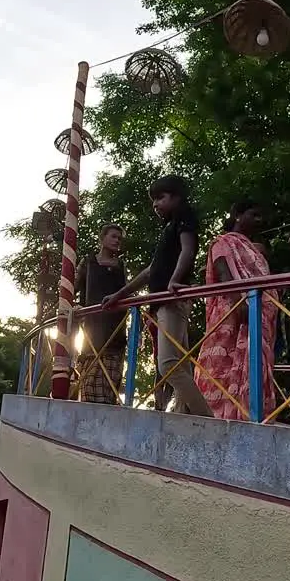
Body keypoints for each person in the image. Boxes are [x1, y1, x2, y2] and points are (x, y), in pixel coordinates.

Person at [104, 175, 213, 416]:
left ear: (177, 197)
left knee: (168, 364)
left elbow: (189, 250)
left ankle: (207, 417)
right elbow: (151, 270)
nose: (156, 205)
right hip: (163, 301)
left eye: (161, 198)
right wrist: (119, 294)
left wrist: (175, 280)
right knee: (180, 363)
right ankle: (186, 415)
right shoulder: (169, 228)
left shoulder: (184, 217)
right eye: (153, 200)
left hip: (170, 299)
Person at [196, 200, 279, 420]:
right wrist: (240, 305)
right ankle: (220, 416)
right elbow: (225, 276)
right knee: (223, 367)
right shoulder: (222, 243)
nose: (259, 221)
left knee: (254, 366)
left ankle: (250, 415)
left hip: (257, 318)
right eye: (254, 215)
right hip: (232, 317)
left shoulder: (253, 250)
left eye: (261, 217)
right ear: (238, 215)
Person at [73, 224, 128, 404]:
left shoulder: (120, 265)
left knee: (110, 385)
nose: (117, 241)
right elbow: (75, 288)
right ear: (102, 238)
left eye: (119, 238)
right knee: (89, 384)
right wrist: (75, 308)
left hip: (115, 329)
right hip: (92, 330)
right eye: (113, 236)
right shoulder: (88, 262)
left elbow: (125, 292)